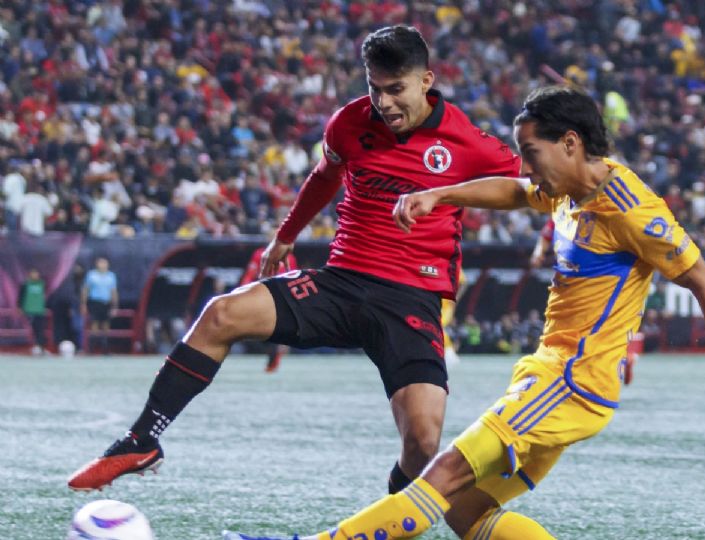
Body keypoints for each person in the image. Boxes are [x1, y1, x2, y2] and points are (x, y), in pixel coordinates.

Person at [224, 86, 705, 540]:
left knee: (442, 475)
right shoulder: (567, 188)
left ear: (571, 143)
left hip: (569, 381)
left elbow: (704, 282)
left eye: (531, 152)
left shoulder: (631, 211)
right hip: (558, 377)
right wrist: (440, 195)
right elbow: (511, 190)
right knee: (466, 512)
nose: (526, 165)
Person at [67, 25, 519, 493]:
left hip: (411, 298)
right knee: (222, 312)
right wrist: (285, 237)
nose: (384, 103)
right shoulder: (349, 123)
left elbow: (527, 190)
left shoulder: (469, 143)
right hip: (341, 283)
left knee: (424, 446)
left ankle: (387, 522)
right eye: (375, 88)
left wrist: (444, 193)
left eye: (396, 90)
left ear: (426, 81)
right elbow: (326, 175)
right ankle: (142, 440)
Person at [237, 244, 298, 372]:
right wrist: (242, 291)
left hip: (281, 298)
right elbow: (249, 274)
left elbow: (294, 279)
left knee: (279, 330)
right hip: (263, 294)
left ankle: (274, 357)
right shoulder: (260, 253)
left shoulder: (289, 257)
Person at [80, 257, 119, 355]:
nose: (103, 265)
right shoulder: (91, 275)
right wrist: (83, 304)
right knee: (95, 324)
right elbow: (85, 290)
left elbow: (113, 292)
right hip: (95, 302)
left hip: (106, 303)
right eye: (101, 263)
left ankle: (105, 349)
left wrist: (114, 306)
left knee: (106, 326)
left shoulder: (111, 276)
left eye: (104, 263)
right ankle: (91, 349)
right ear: (97, 264)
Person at [19, 268, 47, 355]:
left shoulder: (42, 284)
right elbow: (21, 296)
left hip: (39, 310)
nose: (35, 275)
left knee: (40, 329)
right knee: (33, 329)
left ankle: (41, 347)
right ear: (30, 274)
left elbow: (44, 296)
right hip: (29, 310)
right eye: (33, 273)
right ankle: (35, 346)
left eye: (36, 273)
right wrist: (20, 307)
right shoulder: (26, 284)